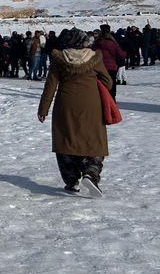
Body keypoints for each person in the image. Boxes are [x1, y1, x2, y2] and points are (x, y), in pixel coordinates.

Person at [38, 28, 112, 197]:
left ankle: (71, 181)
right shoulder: (95, 58)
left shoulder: (59, 58)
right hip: (91, 105)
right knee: (94, 139)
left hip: (65, 105)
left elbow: (51, 85)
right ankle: (91, 173)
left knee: (66, 139)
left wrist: (43, 109)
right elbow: (108, 82)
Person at [92, 24, 126, 99]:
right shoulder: (113, 43)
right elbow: (121, 54)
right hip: (112, 67)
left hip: (99, 66)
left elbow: (91, 52)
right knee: (112, 85)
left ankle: (102, 101)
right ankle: (112, 101)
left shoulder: (97, 43)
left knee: (101, 85)